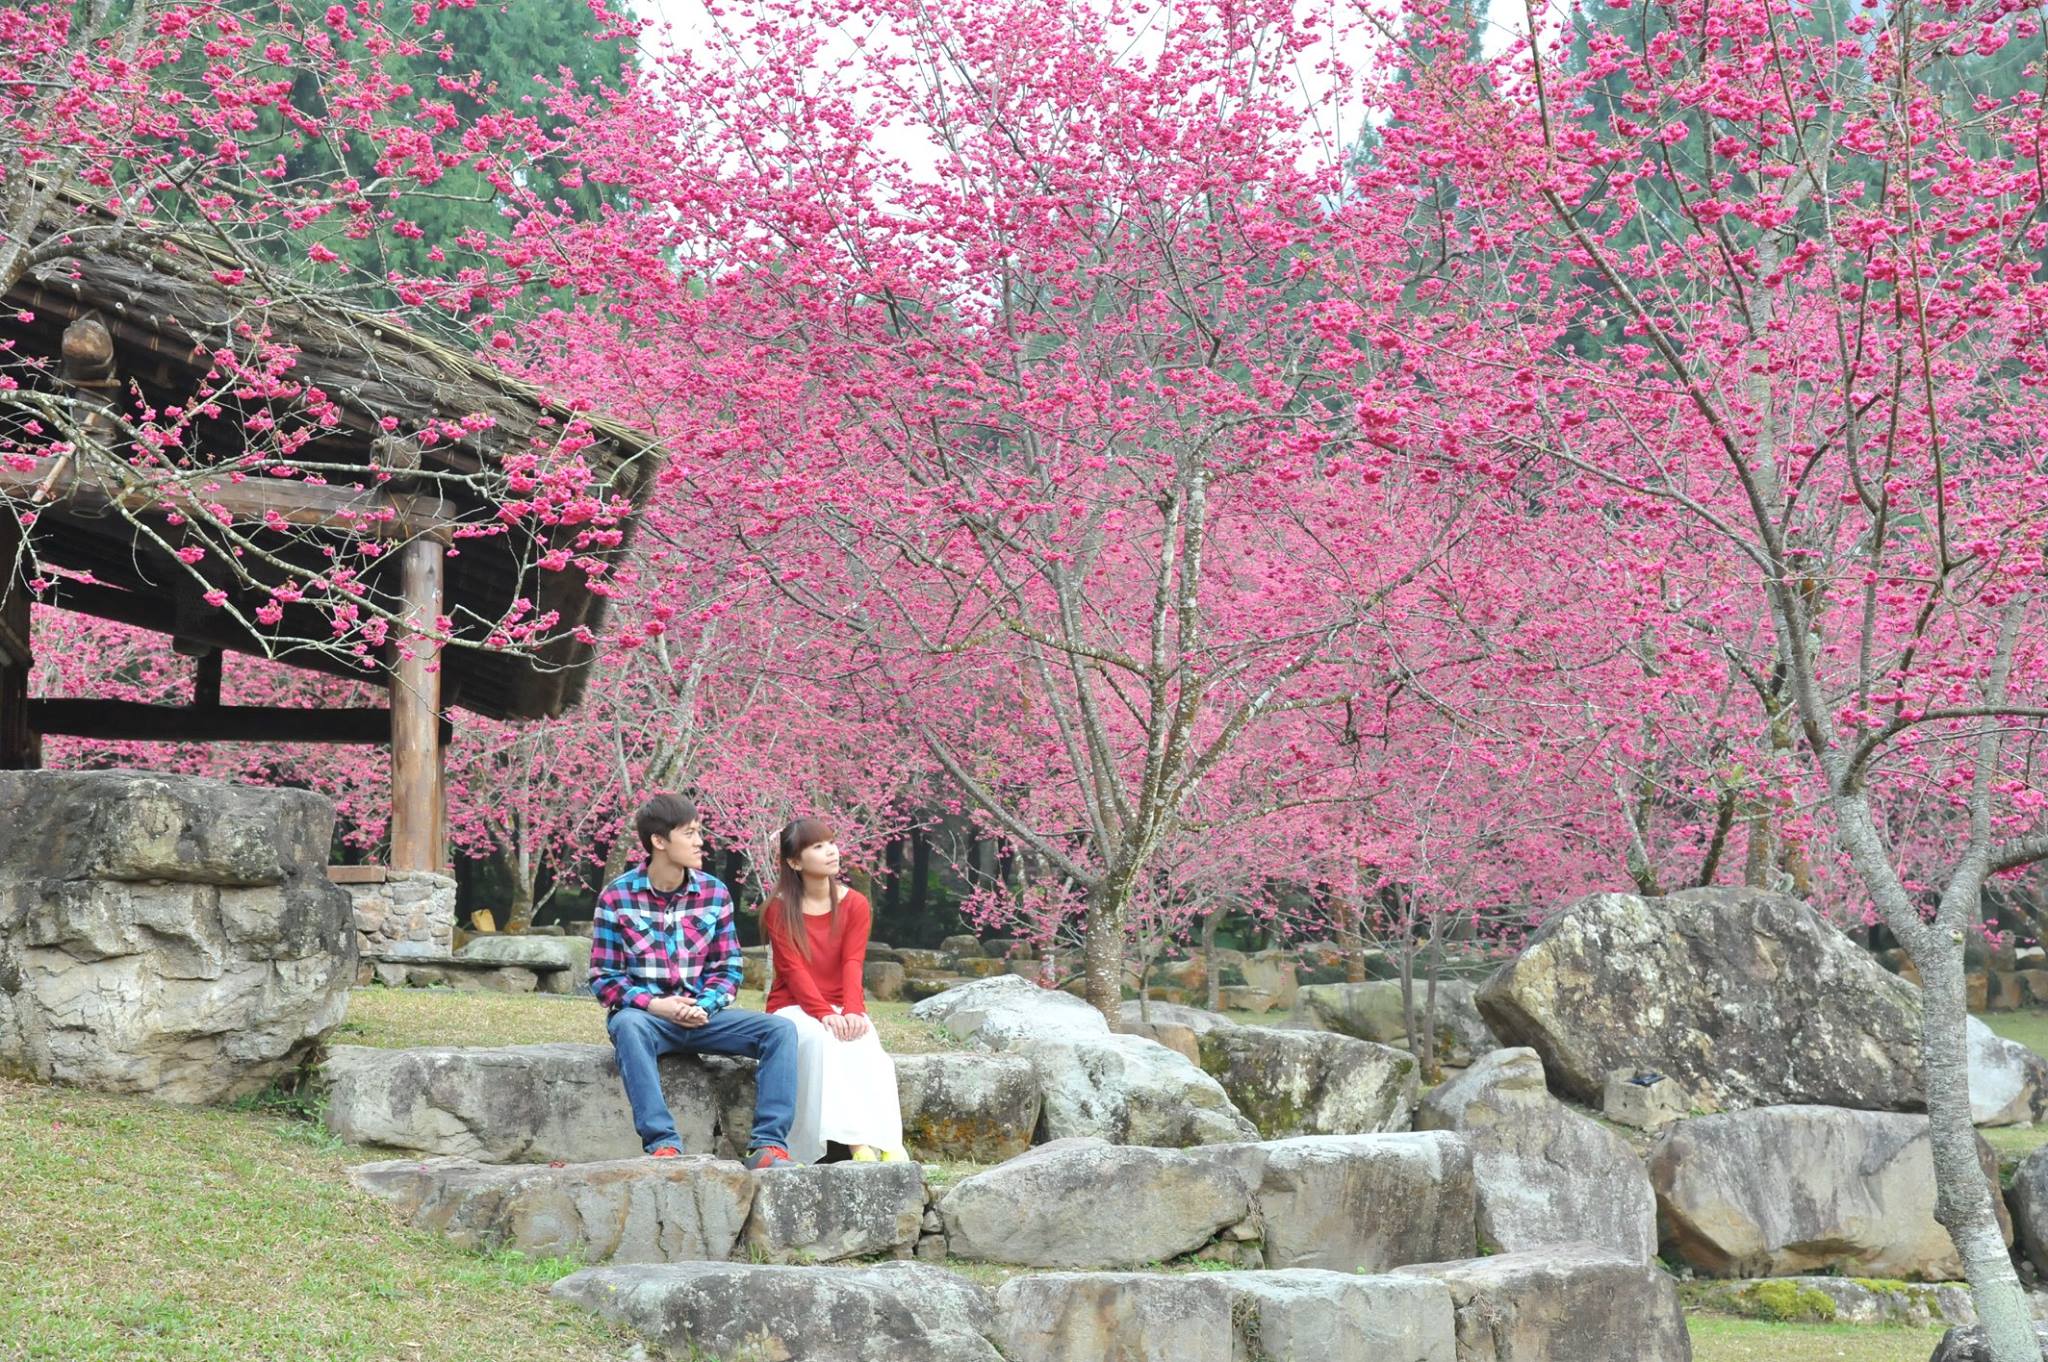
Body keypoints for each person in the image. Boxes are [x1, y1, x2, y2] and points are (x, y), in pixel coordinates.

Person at [589, 793, 800, 1169]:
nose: (700, 841)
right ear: (659, 841)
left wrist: (705, 1005)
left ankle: (767, 1147)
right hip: (649, 1017)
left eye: (699, 832)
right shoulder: (617, 896)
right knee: (627, 1025)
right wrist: (656, 1005)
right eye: (689, 833)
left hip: (705, 1016)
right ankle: (663, 1144)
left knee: (780, 1032)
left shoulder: (714, 893)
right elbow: (604, 978)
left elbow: (728, 968)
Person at [761, 817, 907, 1164]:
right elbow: (793, 971)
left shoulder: (855, 903)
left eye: (830, 842)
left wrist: (854, 1011)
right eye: (817, 846)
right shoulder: (779, 909)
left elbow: (853, 962)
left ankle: (889, 1141)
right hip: (792, 1006)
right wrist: (824, 1014)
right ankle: (858, 1146)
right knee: (824, 1040)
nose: (830, 851)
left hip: (842, 1003)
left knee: (867, 1041)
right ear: (795, 862)